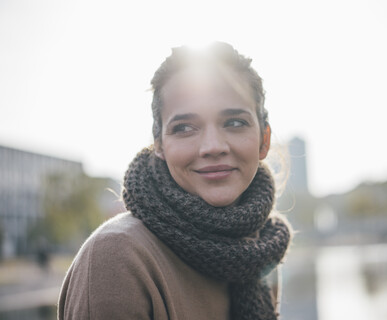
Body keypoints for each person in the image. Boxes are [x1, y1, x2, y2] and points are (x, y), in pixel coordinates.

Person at [57, 42, 291, 320]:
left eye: (235, 122)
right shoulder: (117, 258)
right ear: (160, 145)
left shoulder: (259, 251)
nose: (212, 146)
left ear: (264, 140)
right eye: (184, 128)